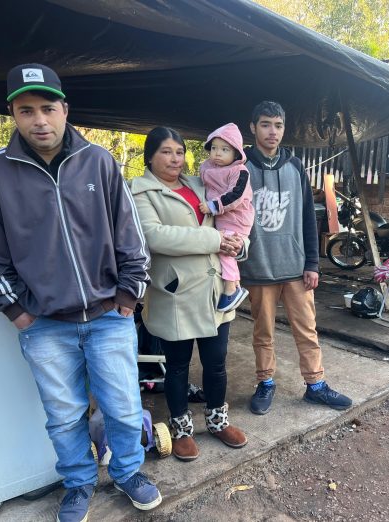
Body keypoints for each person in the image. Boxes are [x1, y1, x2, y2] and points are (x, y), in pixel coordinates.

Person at [0, 63, 161, 522]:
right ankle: (78, 483)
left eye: (47, 108)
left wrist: (127, 298)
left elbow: (131, 238)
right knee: (63, 415)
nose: (39, 120)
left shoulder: (99, 161)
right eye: (26, 110)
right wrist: (18, 311)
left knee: (123, 407)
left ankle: (128, 473)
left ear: (65, 110)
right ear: (13, 115)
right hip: (45, 325)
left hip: (108, 316)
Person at [130, 127, 248, 462]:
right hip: (176, 293)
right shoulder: (141, 191)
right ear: (150, 156)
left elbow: (232, 215)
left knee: (216, 363)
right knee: (178, 366)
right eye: (166, 152)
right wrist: (215, 241)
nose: (175, 159)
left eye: (180, 152)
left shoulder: (200, 183)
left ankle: (217, 420)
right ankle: (181, 428)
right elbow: (156, 236)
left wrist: (239, 244)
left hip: (214, 291)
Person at [241, 101, 353, 415]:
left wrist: (312, 264)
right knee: (263, 332)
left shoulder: (295, 167)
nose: (272, 132)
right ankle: (265, 382)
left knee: (307, 329)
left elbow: (307, 218)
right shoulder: (241, 169)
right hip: (258, 267)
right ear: (253, 128)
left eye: (278, 125)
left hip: (294, 267)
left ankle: (315, 385)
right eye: (265, 124)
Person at [198, 123, 254, 312]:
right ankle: (235, 283)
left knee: (226, 248)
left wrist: (212, 206)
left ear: (236, 152)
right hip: (222, 219)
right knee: (224, 247)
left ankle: (231, 289)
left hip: (237, 218)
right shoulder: (207, 168)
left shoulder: (239, 171)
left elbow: (235, 195)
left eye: (224, 149)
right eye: (214, 148)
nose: (217, 153)